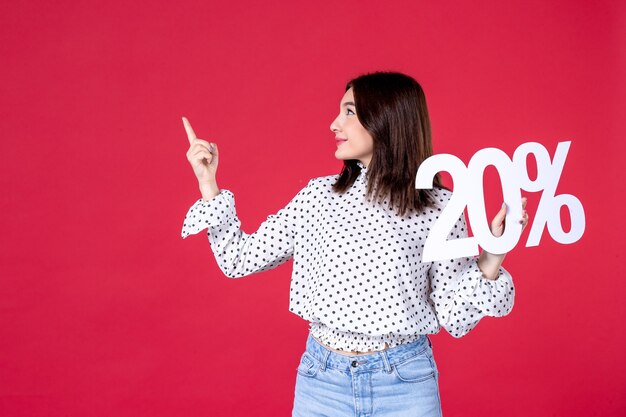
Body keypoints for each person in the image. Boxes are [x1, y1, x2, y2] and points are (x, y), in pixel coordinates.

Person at [180, 71, 530, 417]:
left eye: (349, 111)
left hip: (405, 382)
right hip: (322, 381)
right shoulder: (317, 197)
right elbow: (239, 259)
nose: (334, 124)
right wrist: (208, 183)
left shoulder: (439, 207)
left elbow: (455, 319)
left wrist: (492, 256)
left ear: (387, 119)